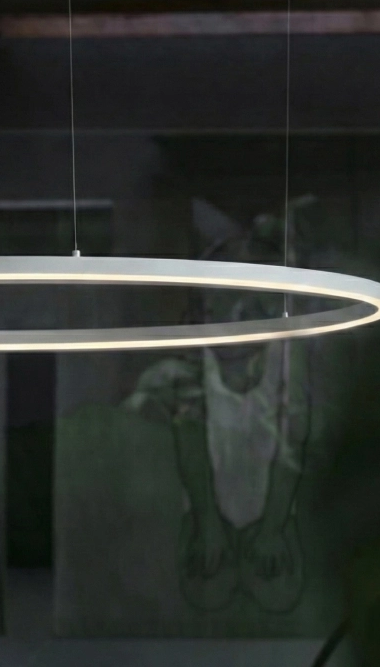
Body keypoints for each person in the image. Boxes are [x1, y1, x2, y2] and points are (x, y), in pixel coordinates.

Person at [125, 203, 312, 612]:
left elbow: (291, 447)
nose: (236, 312)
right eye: (222, 302)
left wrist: (271, 527)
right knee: (212, 591)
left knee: (274, 593)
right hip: (212, 514)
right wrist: (209, 522)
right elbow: (189, 438)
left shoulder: (283, 359)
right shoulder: (195, 364)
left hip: (266, 515)